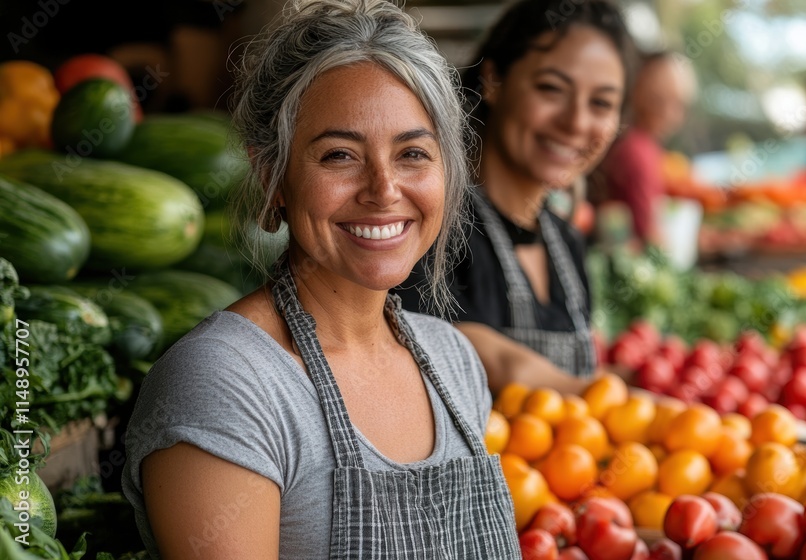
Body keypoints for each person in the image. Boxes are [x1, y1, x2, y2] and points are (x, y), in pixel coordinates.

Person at [121, 1, 519, 558]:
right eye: (339, 155)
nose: (383, 189)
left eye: (412, 153)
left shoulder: (454, 364)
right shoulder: (228, 383)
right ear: (273, 180)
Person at [393, 0, 636, 395]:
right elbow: (453, 346)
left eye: (601, 103)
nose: (576, 122)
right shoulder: (427, 224)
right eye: (551, 89)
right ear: (493, 80)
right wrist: (595, 394)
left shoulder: (567, 243)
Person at [594, 49, 699, 248]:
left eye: (678, 104)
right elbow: (649, 234)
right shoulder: (636, 151)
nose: (671, 113)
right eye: (660, 100)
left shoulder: (642, 146)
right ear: (639, 93)